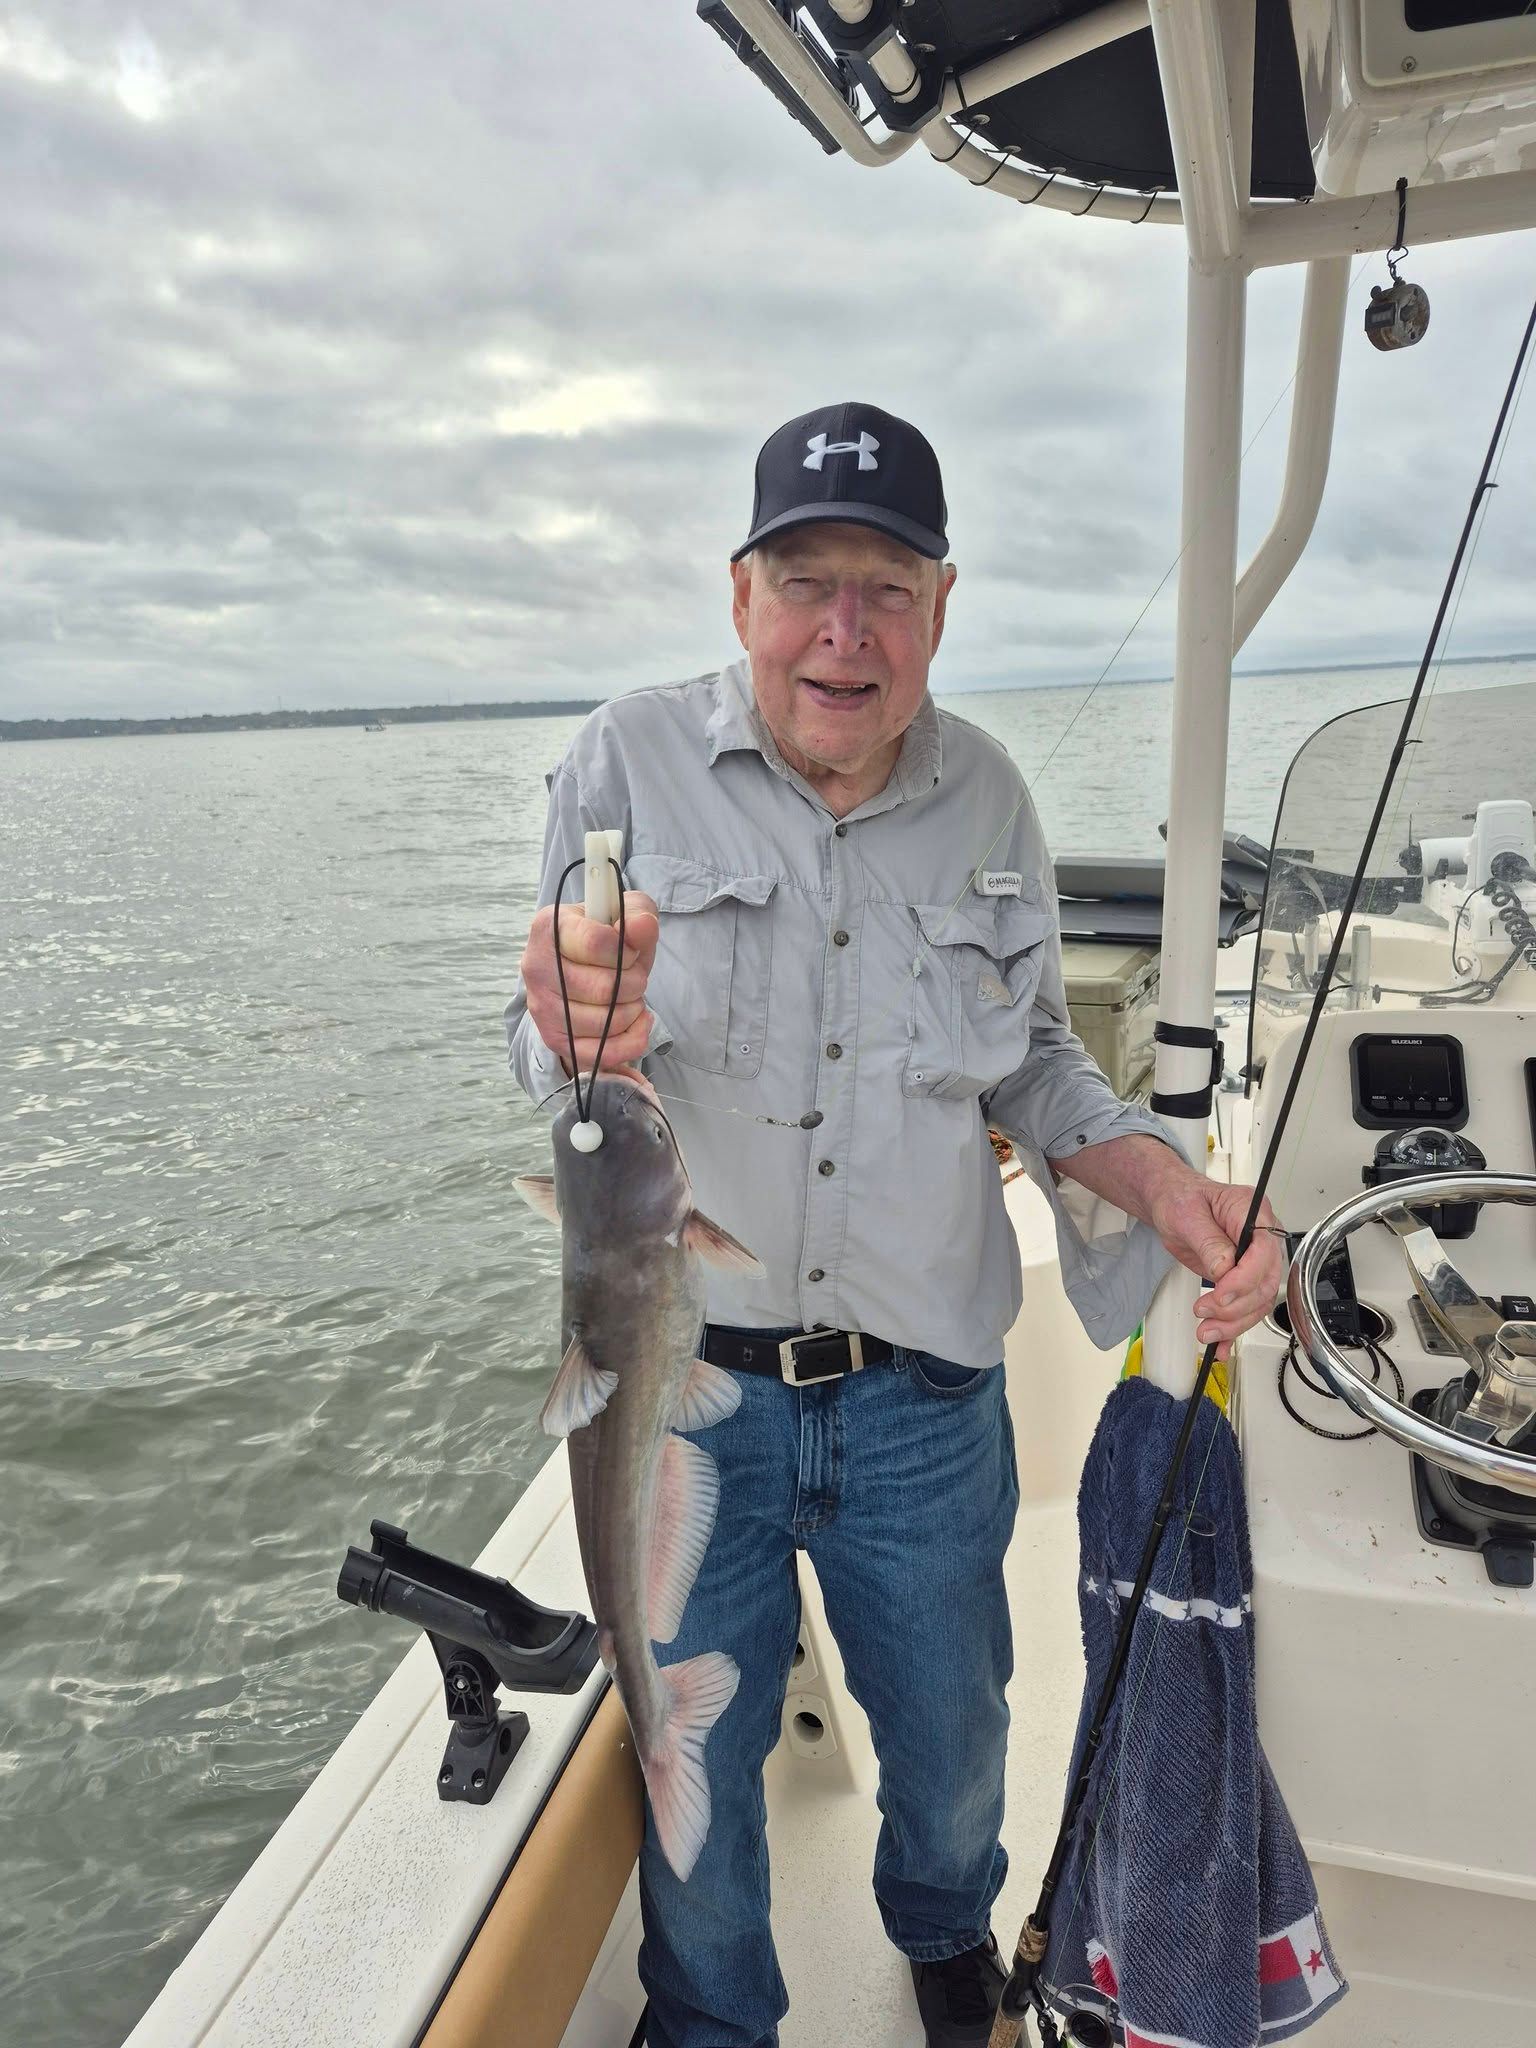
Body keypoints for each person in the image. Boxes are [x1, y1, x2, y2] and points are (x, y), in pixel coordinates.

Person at [505, 402, 1283, 2048]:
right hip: (682, 1384)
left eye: (887, 588)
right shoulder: (619, 763)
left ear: (942, 606)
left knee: (951, 1732)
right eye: (805, 582)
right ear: (740, 597)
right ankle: (714, 2019)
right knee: (690, 1749)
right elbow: (552, 1062)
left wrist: (1168, 1186)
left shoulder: (988, 798)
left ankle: (943, 1937)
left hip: (923, 1397)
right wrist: (569, 1018)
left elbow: (1043, 1072)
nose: (841, 631)